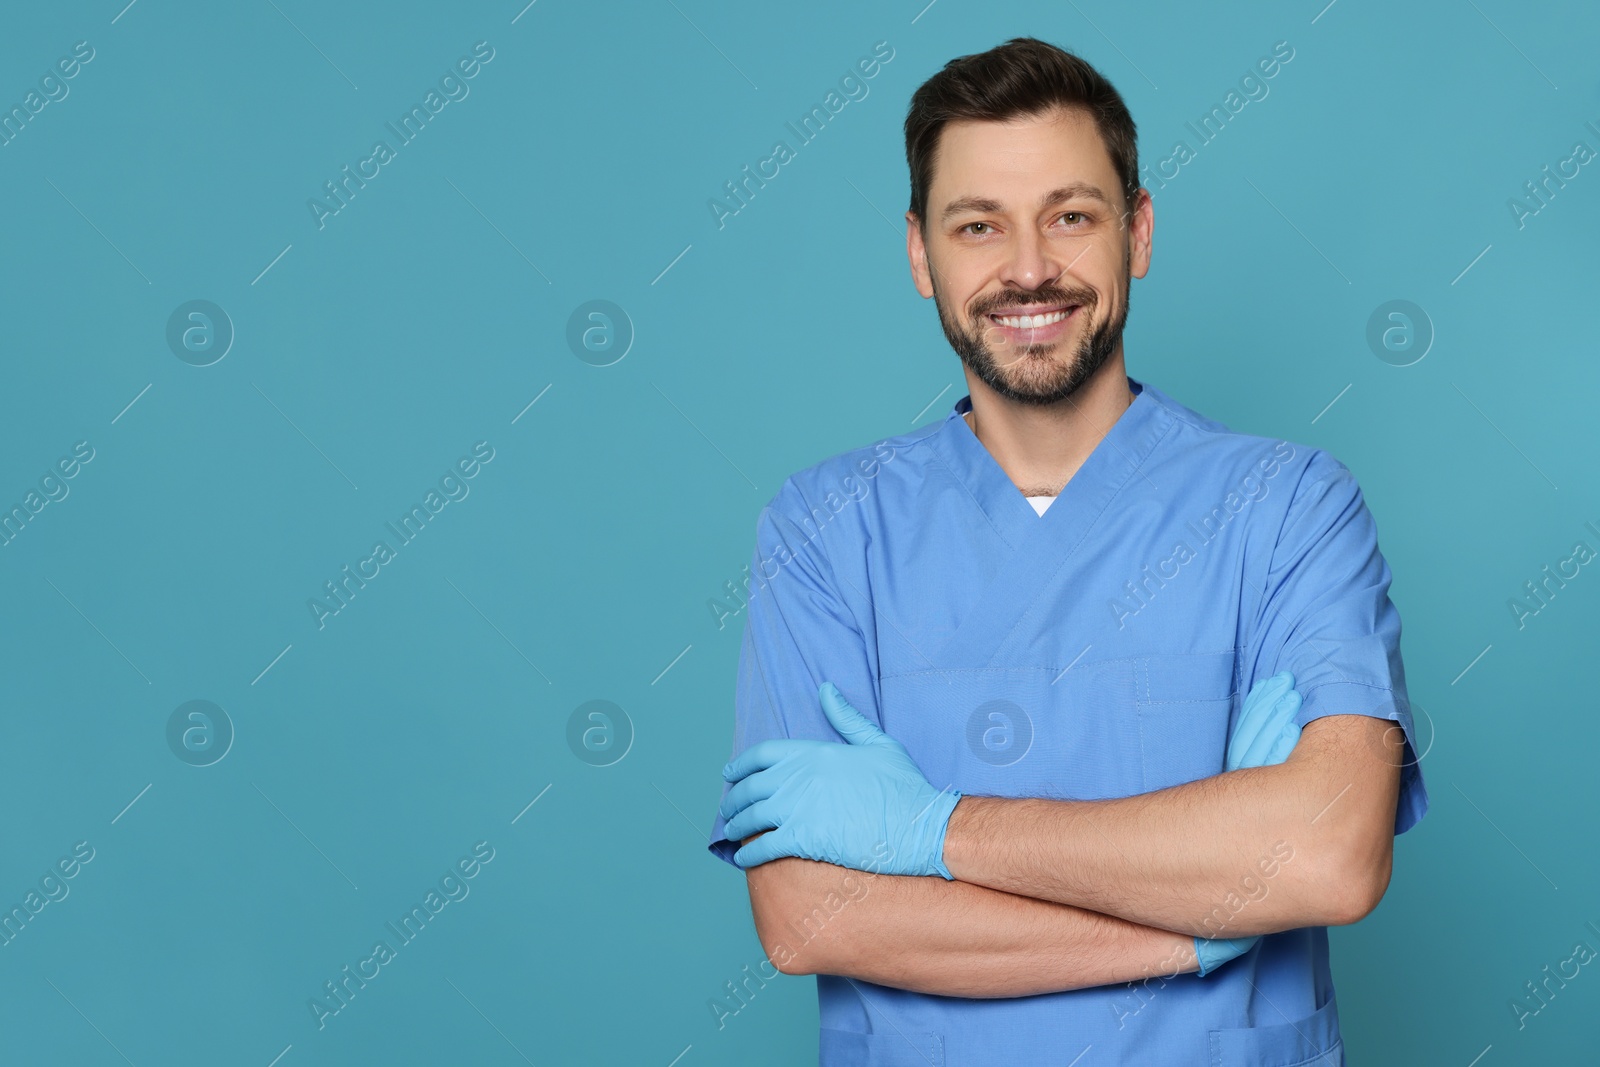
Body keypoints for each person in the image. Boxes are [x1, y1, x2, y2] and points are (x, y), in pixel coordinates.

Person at [707, 36, 1427, 1066]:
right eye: (978, 225)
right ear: (920, 253)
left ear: (1137, 231)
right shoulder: (826, 530)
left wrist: (934, 830)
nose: (1030, 267)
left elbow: (1329, 852)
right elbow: (810, 917)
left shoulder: (1288, 509)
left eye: (1071, 215)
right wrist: (1203, 923)